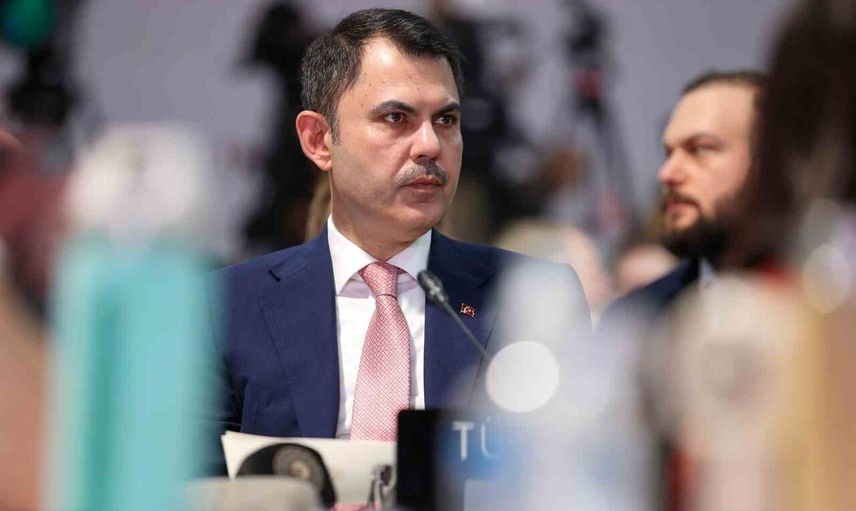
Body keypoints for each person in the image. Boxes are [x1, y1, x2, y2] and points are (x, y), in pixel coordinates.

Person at [211, 8, 589, 446]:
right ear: (319, 140)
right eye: (396, 118)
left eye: (446, 120)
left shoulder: (531, 297)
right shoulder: (225, 307)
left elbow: (569, 464)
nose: (430, 145)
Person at [602, 69, 763, 325]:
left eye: (700, 149)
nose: (666, 173)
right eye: (668, 154)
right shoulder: (634, 321)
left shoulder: (824, 304)